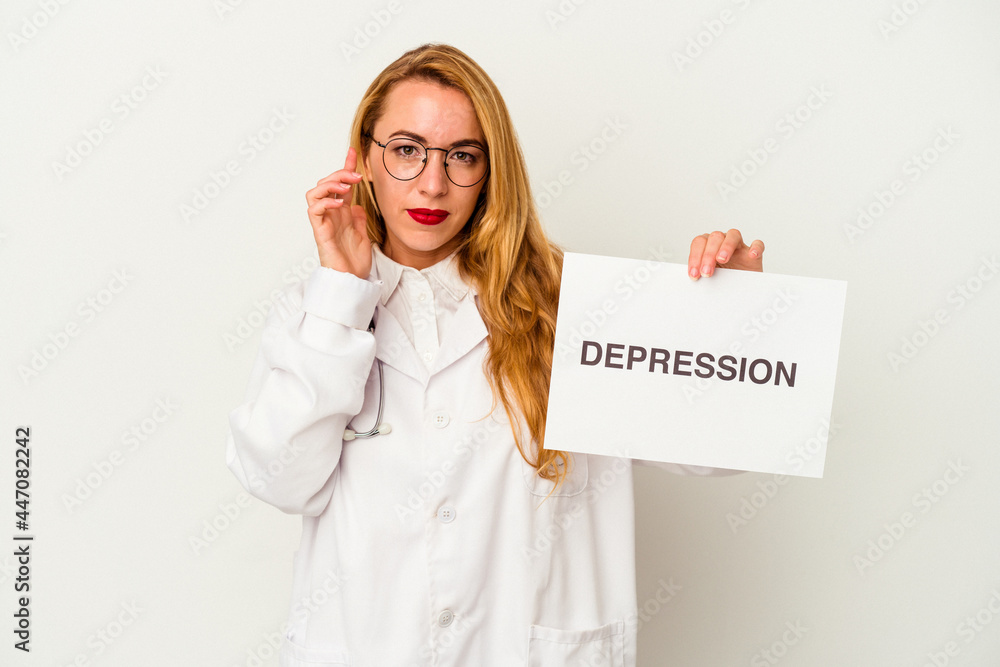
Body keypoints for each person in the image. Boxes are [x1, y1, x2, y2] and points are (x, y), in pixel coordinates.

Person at [226, 43, 764, 667]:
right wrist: (342, 293)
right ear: (364, 158)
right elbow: (277, 479)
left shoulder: (574, 309)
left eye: (462, 156)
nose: (433, 182)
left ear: (491, 170)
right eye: (406, 150)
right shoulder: (315, 312)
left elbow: (718, 451)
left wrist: (738, 314)